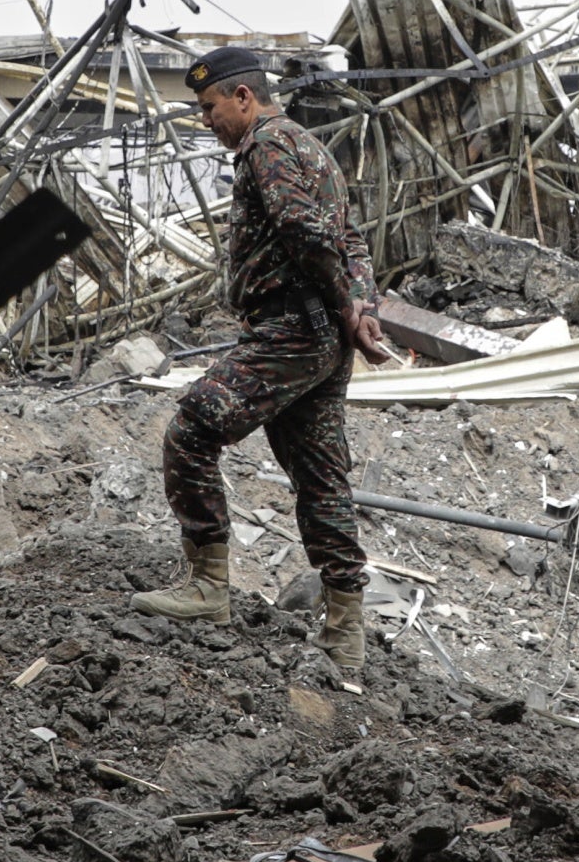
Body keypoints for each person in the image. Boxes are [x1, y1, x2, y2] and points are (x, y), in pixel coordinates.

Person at [131, 45, 395, 671]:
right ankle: (344, 633)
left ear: (242, 97)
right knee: (321, 480)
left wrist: (342, 306)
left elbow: (308, 235)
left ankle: (207, 586)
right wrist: (360, 307)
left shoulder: (266, 146)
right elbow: (348, 237)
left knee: (192, 429)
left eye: (208, 107)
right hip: (321, 340)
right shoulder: (309, 145)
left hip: (291, 336)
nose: (205, 121)